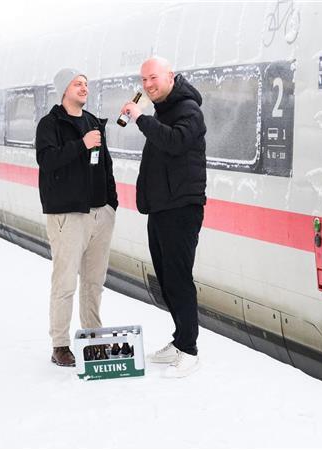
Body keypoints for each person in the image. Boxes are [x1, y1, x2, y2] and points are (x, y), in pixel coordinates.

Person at [121, 56, 206, 378]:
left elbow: (175, 143)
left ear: (171, 76)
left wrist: (141, 118)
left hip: (182, 209)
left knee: (179, 279)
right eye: (143, 80)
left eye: (153, 78)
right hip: (162, 208)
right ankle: (180, 339)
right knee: (167, 278)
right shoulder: (164, 110)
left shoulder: (188, 110)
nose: (147, 85)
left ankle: (190, 350)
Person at [35, 68, 118, 367]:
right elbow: (47, 161)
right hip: (67, 215)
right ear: (63, 90)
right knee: (65, 282)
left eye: (85, 84)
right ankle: (60, 344)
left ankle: (93, 336)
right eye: (77, 84)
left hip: (100, 213)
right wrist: (81, 144)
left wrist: (112, 204)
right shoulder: (50, 124)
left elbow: (105, 165)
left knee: (94, 282)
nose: (84, 88)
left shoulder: (94, 121)